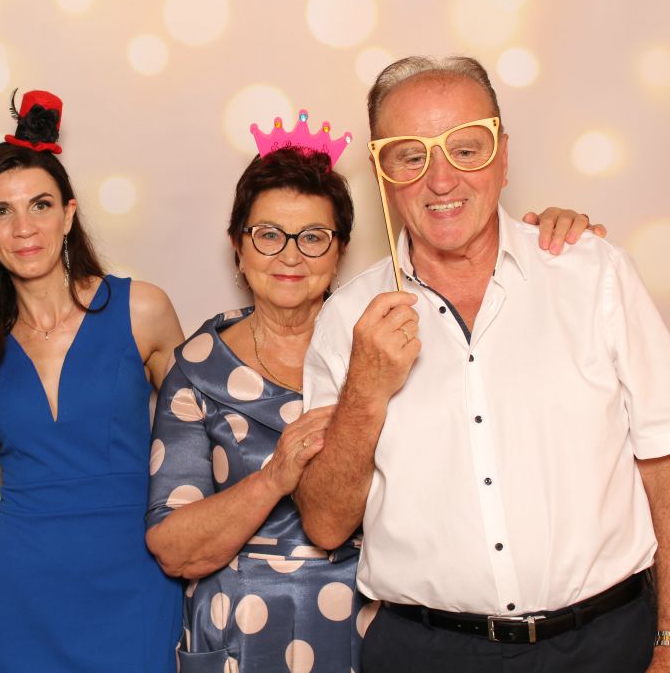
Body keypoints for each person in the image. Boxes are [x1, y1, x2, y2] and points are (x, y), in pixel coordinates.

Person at [145, 109, 600, 673]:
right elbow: (174, 549)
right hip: (243, 638)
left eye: (314, 237)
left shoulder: (404, 339)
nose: (290, 255)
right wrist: (274, 477)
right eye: (268, 235)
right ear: (237, 245)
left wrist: (549, 241)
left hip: (384, 632)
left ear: (340, 250)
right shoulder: (198, 367)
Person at [297, 55, 670, 673]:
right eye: (410, 156)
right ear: (382, 173)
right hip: (427, 652)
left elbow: (662, 464)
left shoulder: (594, 274)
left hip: (608, 642)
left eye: (466, 149)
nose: (441, 180)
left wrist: (668, 640)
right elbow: (325, 523)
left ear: (502, 157)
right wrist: (365, 391)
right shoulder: (345, 319)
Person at [0, 90, 184, 673]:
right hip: (23, 595)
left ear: (69, 216)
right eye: (1, 211)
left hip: (137, 584)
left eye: (40, 205)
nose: (24, 227)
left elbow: (204, 440)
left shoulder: (141, 309)